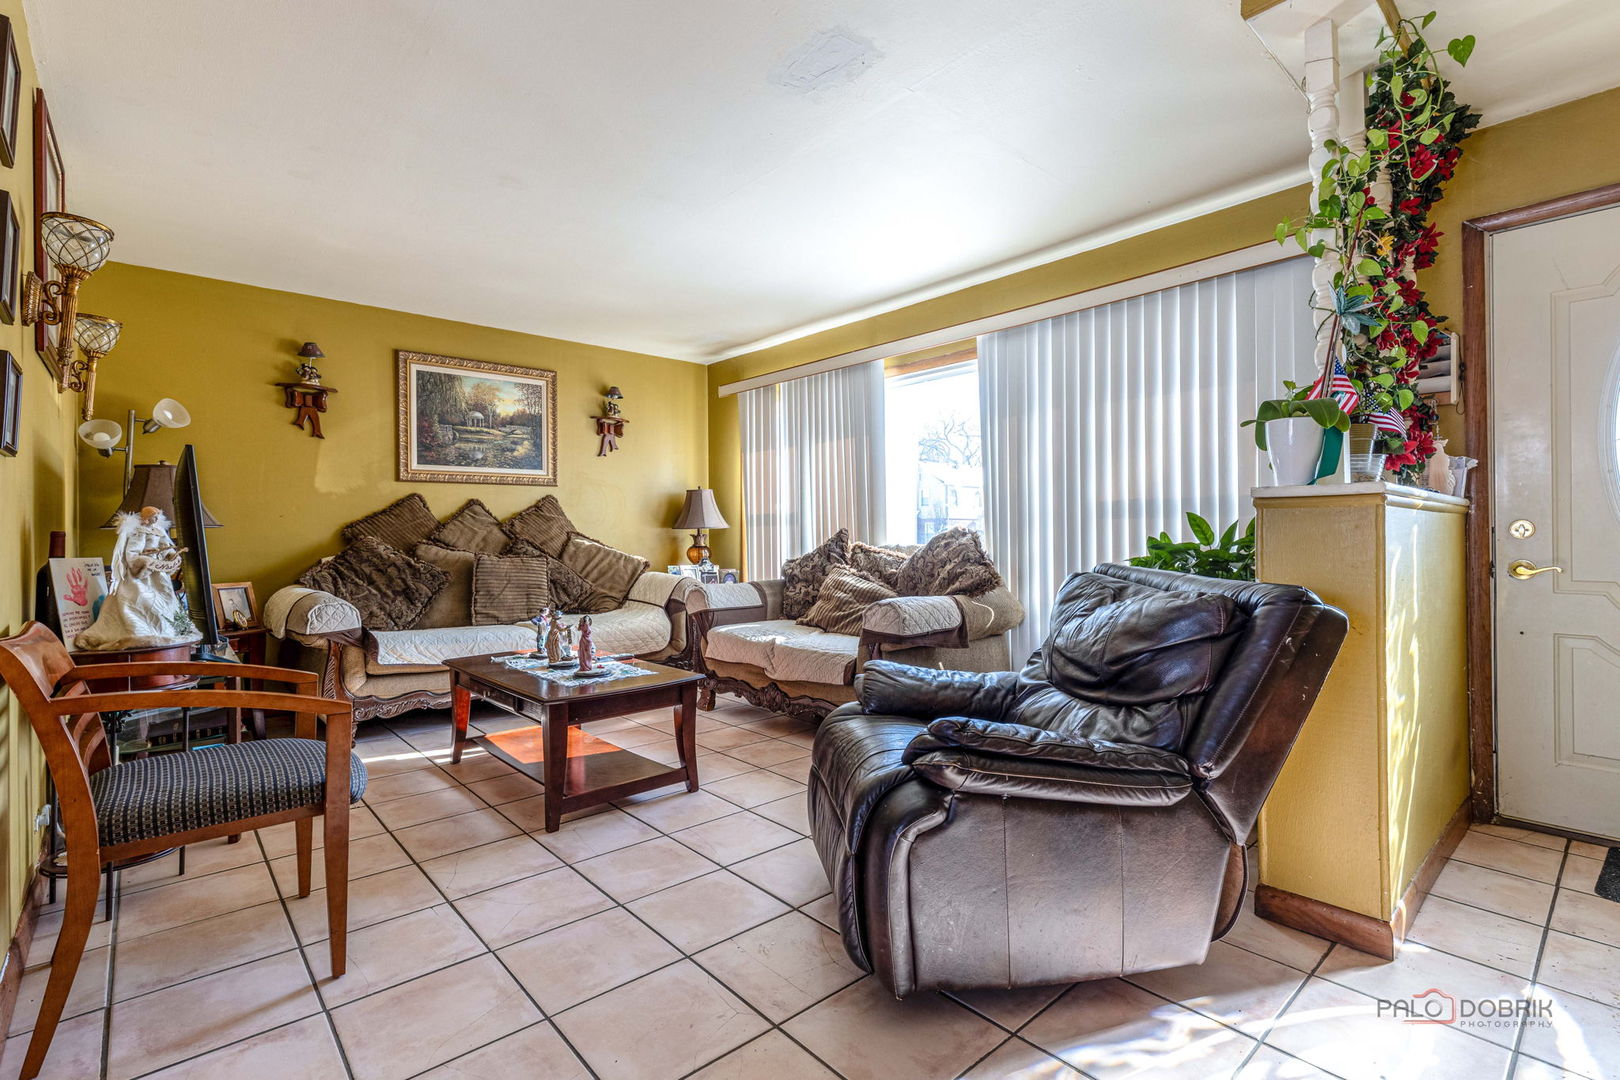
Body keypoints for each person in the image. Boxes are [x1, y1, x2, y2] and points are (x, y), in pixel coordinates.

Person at [75, 507, 202, 650]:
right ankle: (140, 632)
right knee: (142, 599)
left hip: (157, 574)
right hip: (142, 575)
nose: (156, 519)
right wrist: (146, 562)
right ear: (146, 518)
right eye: (154, 516)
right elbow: (132, 555)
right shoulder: (139, 533)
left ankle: (165, 630)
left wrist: (172, 555)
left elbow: (166, 547)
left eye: (157, 516)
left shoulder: (158, 531)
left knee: (165, 598)